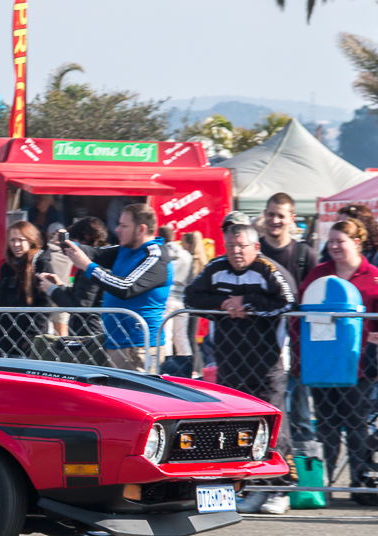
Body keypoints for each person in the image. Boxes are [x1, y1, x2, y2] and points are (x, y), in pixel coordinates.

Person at [184, 224, 297, 514]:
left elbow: (288, 301)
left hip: (267, 365)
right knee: (235, 428)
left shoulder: (268, 270)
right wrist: (223, 304)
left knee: (273, 426)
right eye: (231, 245)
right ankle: (246, 486)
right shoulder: (215, 267)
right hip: (229, 363)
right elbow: (191, 297)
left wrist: (247, 303)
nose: (235, 251)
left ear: (255, 247)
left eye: (242, 246)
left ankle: (280, 488)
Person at [299, 219, 378, 501]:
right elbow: (300, 315)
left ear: (356, 243)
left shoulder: (373, 276)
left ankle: (358, 484)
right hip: (322, 364)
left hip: (359, 365)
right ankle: (325, 485)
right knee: (326, 425)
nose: (333, 246)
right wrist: (300, 355)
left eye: (339, 241)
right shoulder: (319, 274)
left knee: (356, 424)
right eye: (330, 241)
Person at [59, 204, 172, 371]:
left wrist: (88, 266)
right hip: (115, 342)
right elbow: (94, 253)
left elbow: (126, 288)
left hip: (139, 346)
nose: (117, 229)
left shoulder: (155, 255)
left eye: (123, 226)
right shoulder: (125, 249)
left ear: (141, 230)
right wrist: (67, 242)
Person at [0, 221, 56, 357]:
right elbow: (0, 307)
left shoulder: (42, 266)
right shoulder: (6, 268)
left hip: (30, 347)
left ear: (31, 240)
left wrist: (30, 337)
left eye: (21, 240)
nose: (16, 244)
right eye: (12, 240)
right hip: (3, 345)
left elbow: (45, 306)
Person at [38, 216, 107, 338]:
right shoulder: (88, 264)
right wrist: (60, 286)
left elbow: (79, 308)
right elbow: (80, 297)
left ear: (84, 239)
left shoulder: (93, 267)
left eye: (73, 243)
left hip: (90, 334)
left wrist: (52, 289)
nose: (69, 248)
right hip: (85, 332)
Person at [158, 225, 195, 371]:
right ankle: (187, 368)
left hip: (166, 299)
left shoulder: (160, 253)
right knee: (181, 336)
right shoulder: (187, 255)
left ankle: (167, 369)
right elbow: (191, 279)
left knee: (166, 335)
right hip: (181, 300)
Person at [259, 193, 314, 283]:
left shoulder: (305, 255)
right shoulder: (251, 251)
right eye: (271, 214)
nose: (275, 221)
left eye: (281, 216)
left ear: (292, 219)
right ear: (265, 214)